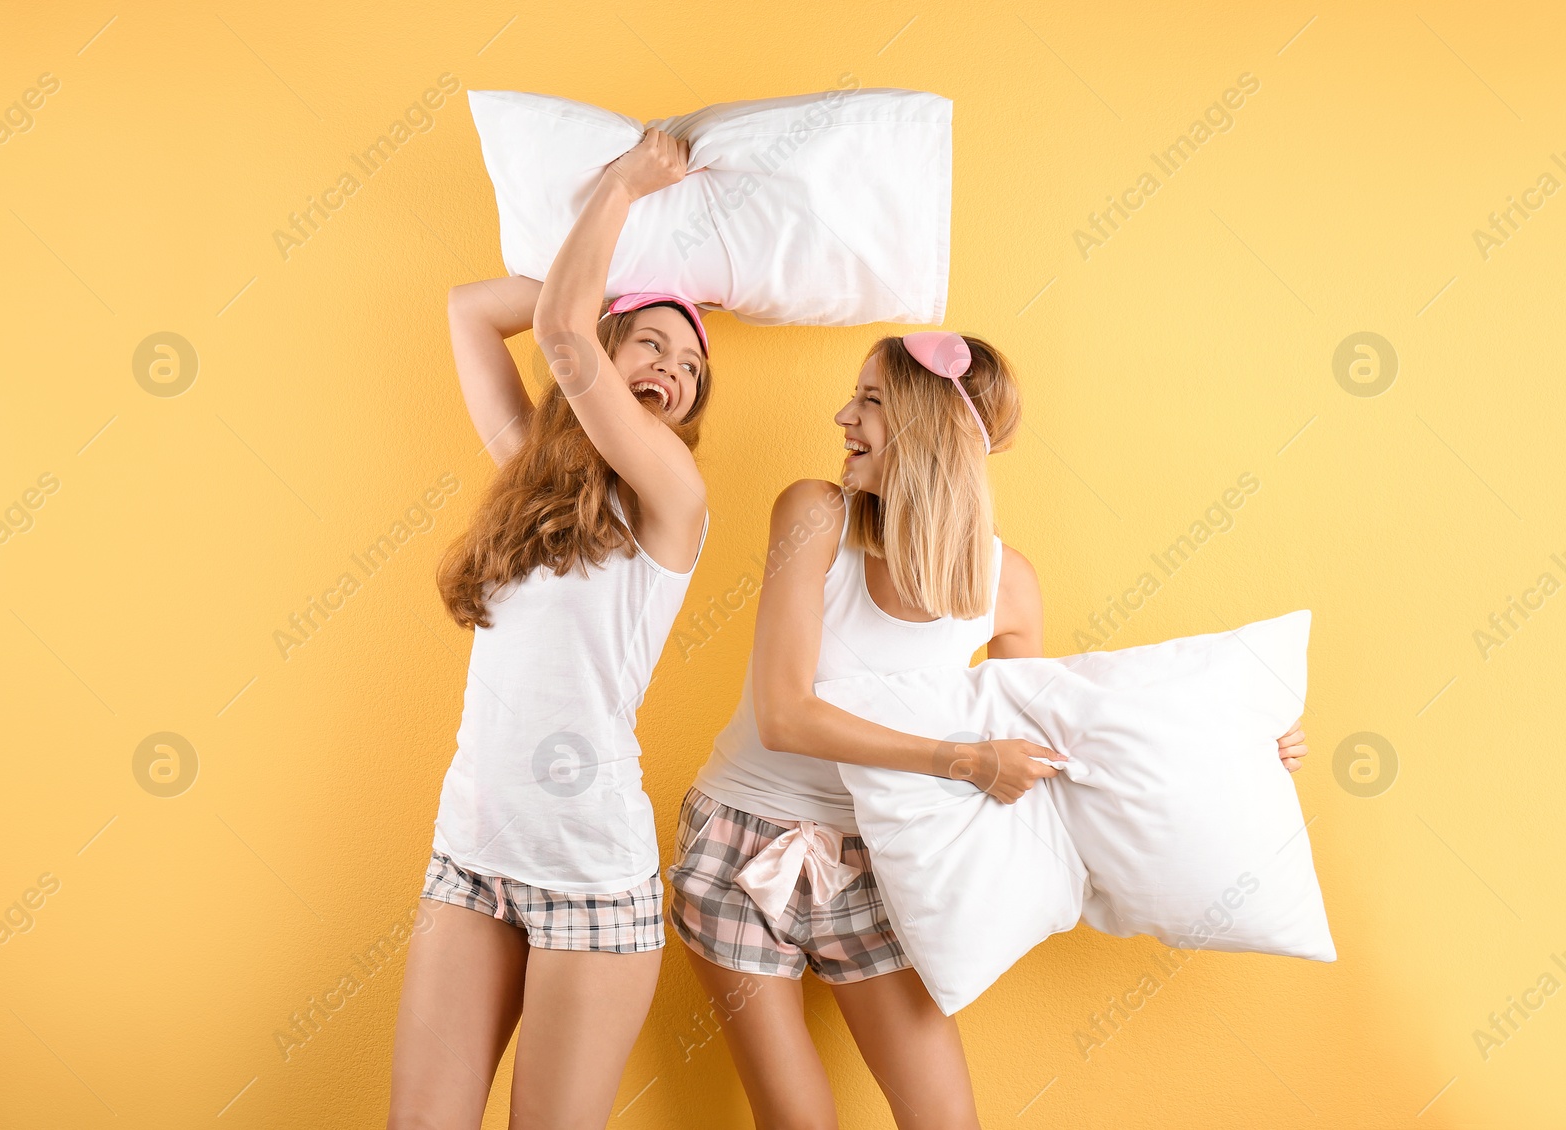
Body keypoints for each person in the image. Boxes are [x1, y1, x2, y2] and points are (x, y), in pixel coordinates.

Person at [668, 330, 1309, 1129]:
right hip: (737, 842)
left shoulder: (1010, 588)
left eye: (869, 400)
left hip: (880, 860)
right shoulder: (814, 516)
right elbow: (785, 713)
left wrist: (1235, 753)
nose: (843, 416)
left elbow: (1052, 753)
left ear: (923, 425)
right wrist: (963, 760)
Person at [387, 129, 713, 1129]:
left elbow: (562, 339)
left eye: (693, 366)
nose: (673, 367)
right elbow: (471, 314)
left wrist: (624, 188)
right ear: (611, 351)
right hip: (473, 853)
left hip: (589, 878)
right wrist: (629, 269)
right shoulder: (531, 475)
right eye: (651, 342)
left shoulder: (673, 498)